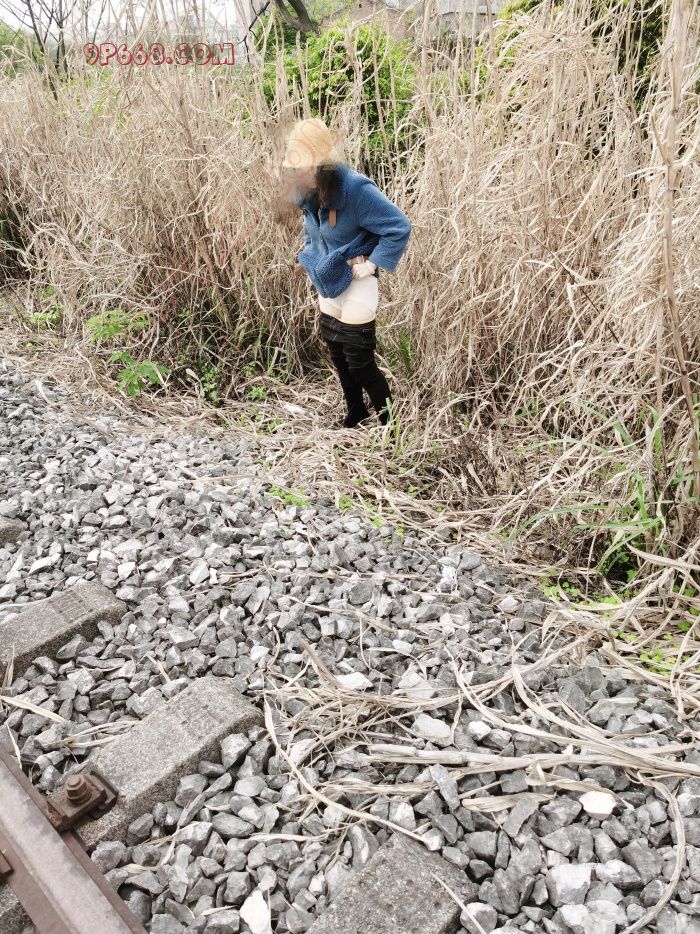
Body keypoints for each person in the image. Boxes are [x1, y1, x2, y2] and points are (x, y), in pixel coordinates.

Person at [281, 118, 412, 428]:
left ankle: (391, 426)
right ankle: (356, 413)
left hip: (357, 280)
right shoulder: (306, 192)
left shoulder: (355, 188)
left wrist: (373, 263)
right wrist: (310, 258)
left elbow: (399, 226)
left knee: (359, 361)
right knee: (338, 356)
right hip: (328, 279)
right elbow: (312, 230)